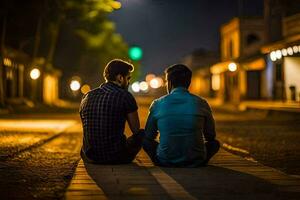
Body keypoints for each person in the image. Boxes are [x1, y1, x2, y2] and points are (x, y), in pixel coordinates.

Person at [143, 64, 220, 167]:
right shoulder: (201, 103)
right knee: (215, 144)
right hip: (196, 161)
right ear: (189, 82)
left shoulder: (157, 104)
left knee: (144, 140)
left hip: (165, 161)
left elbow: (149, 136)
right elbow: (210, 136)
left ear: (169, 83)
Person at [79, 59, 144, 164]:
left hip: (89, 157)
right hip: (116, 157)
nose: (129, 82)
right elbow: (136, 130)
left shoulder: (87, 96)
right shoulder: (125, 96)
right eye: (128, 78)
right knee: (141, 134)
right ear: (120, 78)